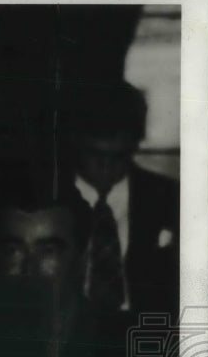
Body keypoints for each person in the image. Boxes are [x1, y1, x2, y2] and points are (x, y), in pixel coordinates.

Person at [66, 80, 179, 316]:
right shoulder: (49, 196)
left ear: (135, 145)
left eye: (118, 156)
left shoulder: (170, 199)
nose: (106, 167)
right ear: (75, 143)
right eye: (95, 154)